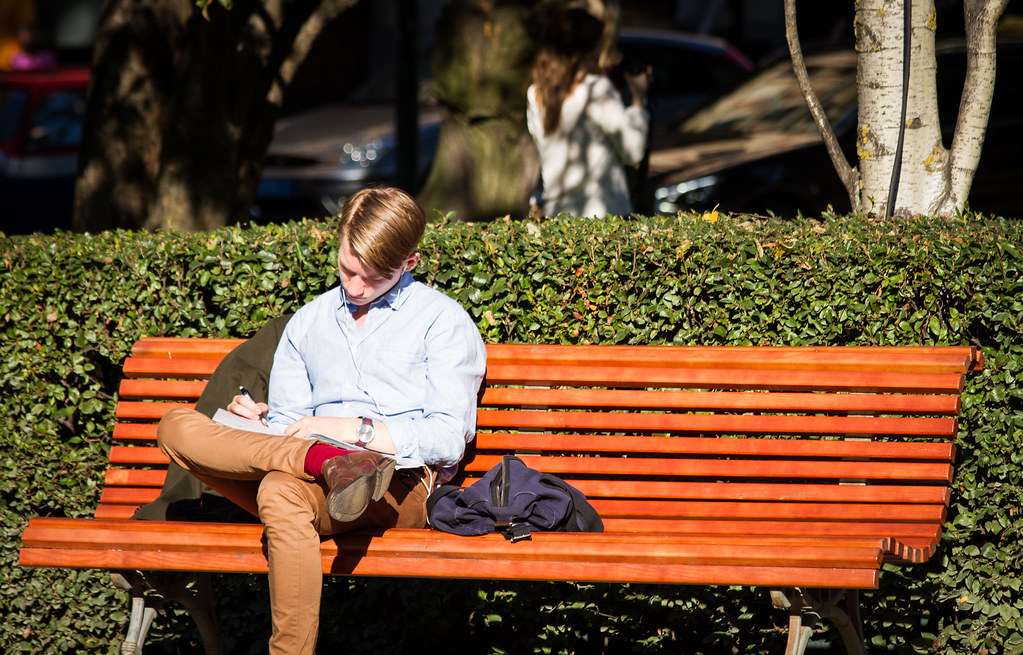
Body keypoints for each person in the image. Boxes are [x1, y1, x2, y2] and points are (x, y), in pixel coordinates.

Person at [157, 186, 487, 654]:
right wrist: (261, 427)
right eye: (347, 268)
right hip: (310, 472)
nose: (354, 287)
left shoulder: (443, 322)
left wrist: (347, 431)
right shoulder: (309, 322)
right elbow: (293, 419)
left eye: (373, 278)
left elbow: (448, 438)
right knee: (175, 426)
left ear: (409, 263)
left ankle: (326, 459)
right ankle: (323, 460)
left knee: (279, 489)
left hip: (400, 480)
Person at [526, 7, 650, 219]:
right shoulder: (597, 90)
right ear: (588, 48)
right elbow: (634, 151)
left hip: (559, 220)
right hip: (606, 221)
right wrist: (638, 100)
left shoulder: (535, 94)